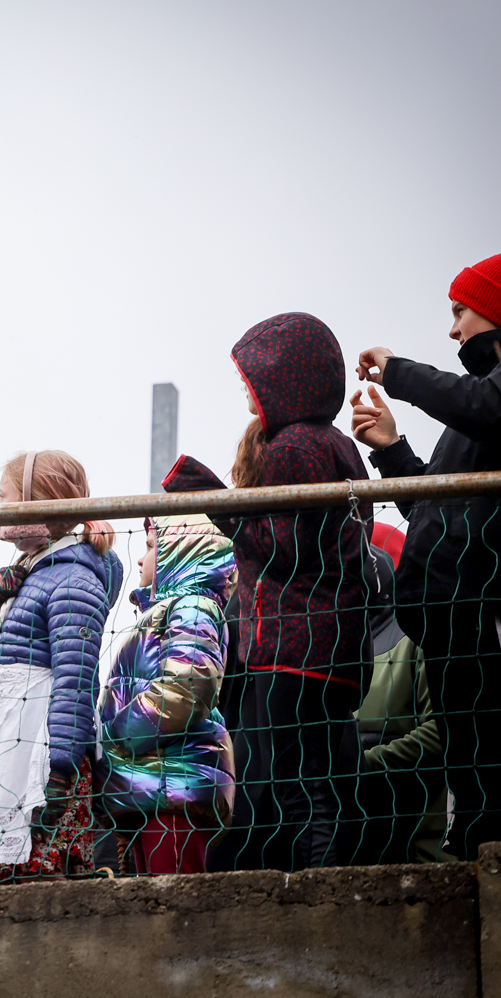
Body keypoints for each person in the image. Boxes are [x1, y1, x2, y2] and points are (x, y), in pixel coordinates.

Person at [351, 247, 501, 854]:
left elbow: (488, 406)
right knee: (473, 762)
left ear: (500, 308)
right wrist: (393, 451)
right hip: (457, 620)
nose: (452, 329)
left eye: (459, 311)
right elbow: (435, 516)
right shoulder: (490, 398)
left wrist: (400, 372)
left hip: (498, 610)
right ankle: (476, 854)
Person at [164, 312, 372, 871]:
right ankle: (324, 880)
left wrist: (213, 496)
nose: (246, 391)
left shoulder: (292, 445)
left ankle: (322, 886)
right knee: (317, 775)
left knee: (298, 783)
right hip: (331, 641)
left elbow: (284, 548)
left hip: (294, 642)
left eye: (251, 377)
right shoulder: (334, 443)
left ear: (282, 376)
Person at [0, 451, 122, 885]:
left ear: (35, 502)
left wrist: (59, 767)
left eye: (4, 495)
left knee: (31, 876)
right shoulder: (23, 575)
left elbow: (75, 679)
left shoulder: (73, 579)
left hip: (39, 759)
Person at [98, 516, 237, 875]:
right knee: (151, 900)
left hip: (174, 785)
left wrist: (114, 736)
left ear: (181, 552)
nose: (140, 560)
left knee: (174, 897)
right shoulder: (164, 611)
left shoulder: (193, 607)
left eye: (150, 547)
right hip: (152, 784)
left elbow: (187, 688)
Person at [352, 524, 453, 864]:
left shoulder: (415, 639)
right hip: (355, 828)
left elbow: (440, 729)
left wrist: (365, 761)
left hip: (413, 829)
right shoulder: (332, 645)